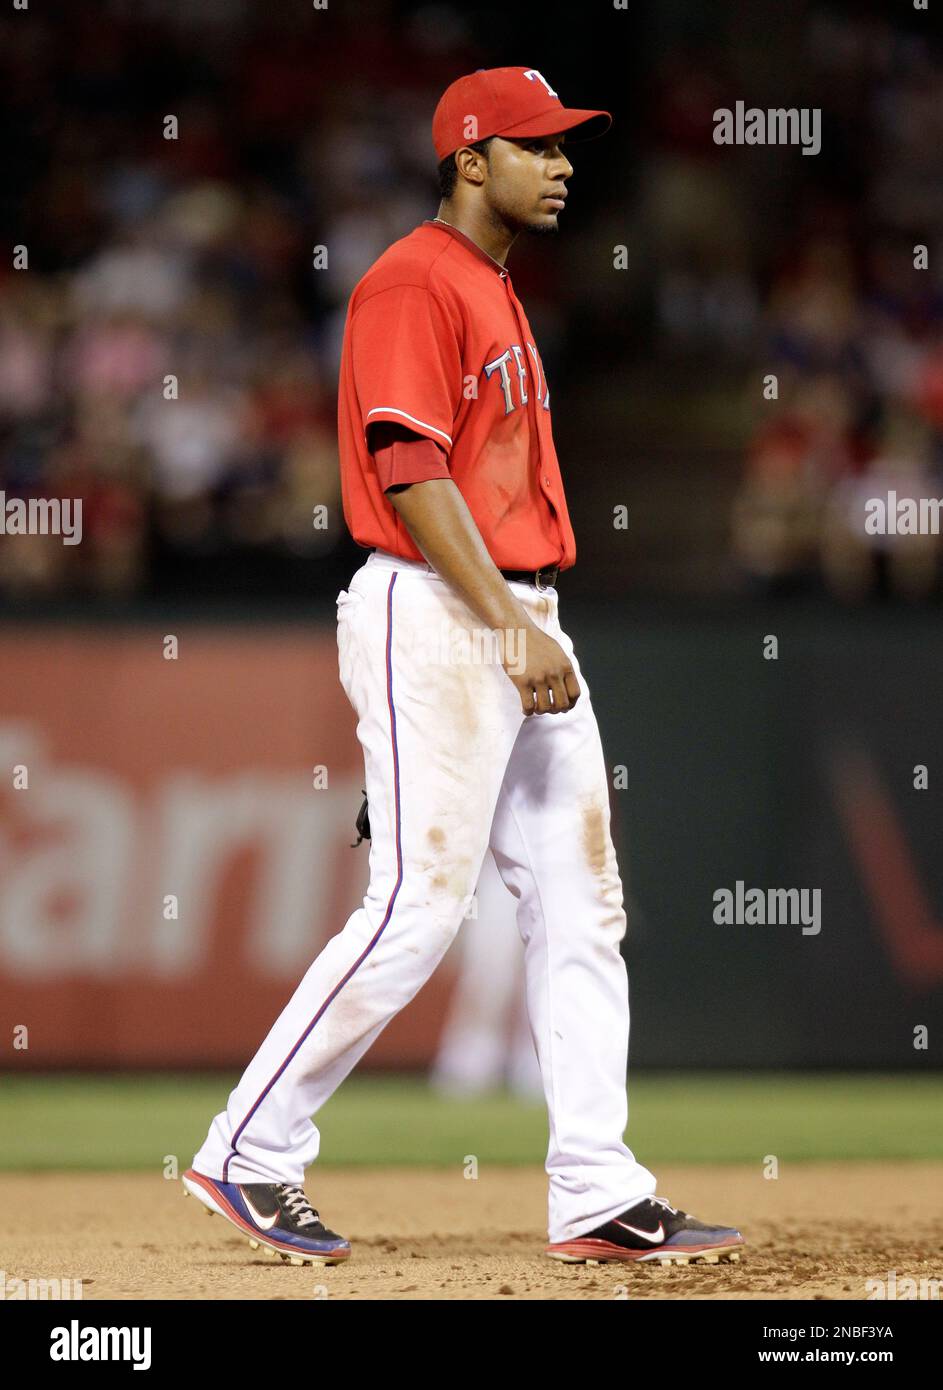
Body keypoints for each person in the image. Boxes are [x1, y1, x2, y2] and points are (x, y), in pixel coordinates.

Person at [183, 66, 744, 1268]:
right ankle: (248, 1149)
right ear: (470, 158)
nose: (564, 165)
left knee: (584, 906)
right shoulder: (410, 281)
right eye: (539, 147)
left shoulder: (490, 290)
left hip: (507, 613)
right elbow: (409, 473)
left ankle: (596, 1187)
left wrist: (515, 624)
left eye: (568, 147)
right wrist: (503, 625)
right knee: (415, 908)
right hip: (448, 608)